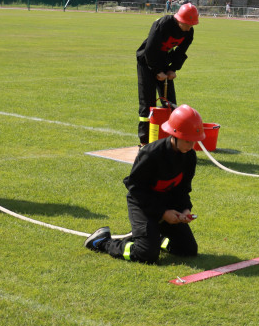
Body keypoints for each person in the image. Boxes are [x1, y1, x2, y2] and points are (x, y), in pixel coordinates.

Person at [86, 105, 204, 264]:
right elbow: (136, 189)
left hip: (166, 205)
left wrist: (185, 209)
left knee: (188, 250)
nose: (191, 146)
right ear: (174, 134)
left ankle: (155, 237)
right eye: (187, 140)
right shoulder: (150, 154)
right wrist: (163, 213)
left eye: (194, 141)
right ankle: (103, 242)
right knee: (147, 254)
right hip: (143, 204)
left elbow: (183, 189)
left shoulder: (190, 157)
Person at [135, 2, 198, 145]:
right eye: (188, 24)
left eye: (192, 25)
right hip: (146, 63)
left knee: (170, 102)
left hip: (163, 63)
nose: (189, 28)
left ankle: (171, 140)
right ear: (180, 20)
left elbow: (181, 52)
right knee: (148, 102)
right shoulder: (163, 24)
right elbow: (150, 50)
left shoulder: (189, 32)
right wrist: (157, 71)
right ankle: (145, 142)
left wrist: (172, 69)